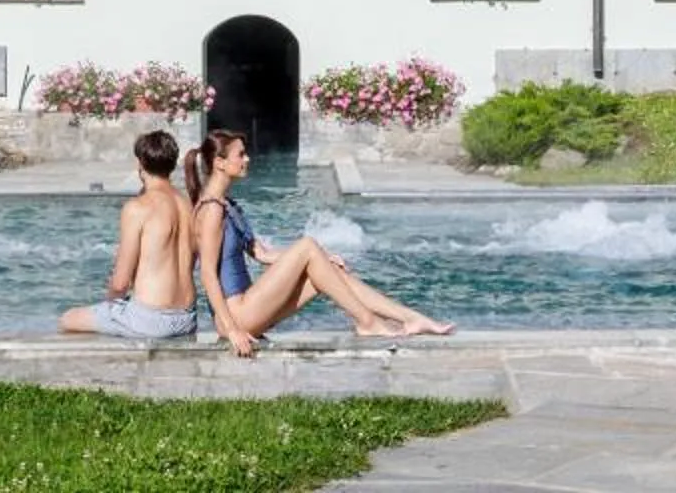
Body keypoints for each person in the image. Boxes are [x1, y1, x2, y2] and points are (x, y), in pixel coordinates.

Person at [185, 128, 451, 355]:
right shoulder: (211, 211)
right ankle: (368, 322)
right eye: (240, 154)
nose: (247, 159)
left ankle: (409, 318)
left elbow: (263, 254)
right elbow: (207, 274)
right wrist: (231, 330)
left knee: (327, 269)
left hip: (248, 308)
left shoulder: (226, 204)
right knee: (308, 245)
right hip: (237, 315)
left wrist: (321, 260)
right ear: (219, 162)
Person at [59, 128, 197, 341]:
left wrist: (111, 305)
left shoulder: (138, 207)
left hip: (150, 320)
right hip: (187, 317)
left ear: (140, 164)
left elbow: (120, 284)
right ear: (171, 164)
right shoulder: (187, 205)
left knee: (68, 319)